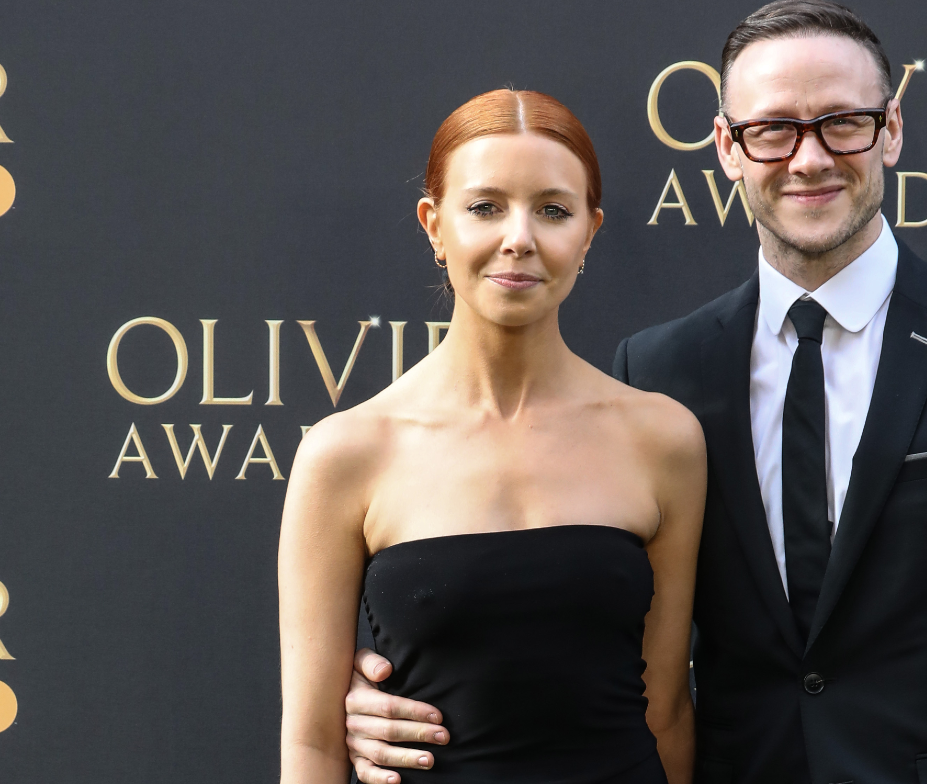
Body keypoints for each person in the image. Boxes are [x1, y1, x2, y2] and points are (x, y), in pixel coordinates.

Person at [342, 2, 927, 783]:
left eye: (842, 121)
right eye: (773, 129)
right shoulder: (659, 371)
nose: (809, 158)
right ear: (728, 147)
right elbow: (583, 636)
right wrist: (370, 697)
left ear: (891, 131)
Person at [278, 88, 706, 784]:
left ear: (589, 232)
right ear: (433, 225)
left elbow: (666, 714)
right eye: (485, 207)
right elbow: (313, 747)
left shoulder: (663, 440)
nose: (519, 237)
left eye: (553, 210)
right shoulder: (347, 452)